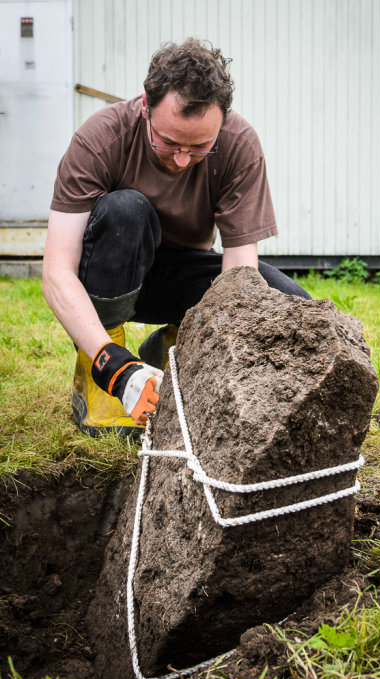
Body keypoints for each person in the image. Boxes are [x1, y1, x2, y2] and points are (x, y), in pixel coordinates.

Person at [42, 38, 311, 438]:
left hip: (176, 277)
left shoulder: (239, 145)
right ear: (146, 108)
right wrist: (114, 366)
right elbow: (57, 272)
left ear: (222, 120)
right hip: (106, 273)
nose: (182, 160)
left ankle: (174, 349)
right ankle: (97, 380)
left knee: (290, 304)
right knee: (125, 211)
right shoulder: (101, 139)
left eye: (200, 147)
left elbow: (239, 274)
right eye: (168, 142)